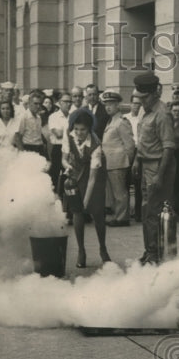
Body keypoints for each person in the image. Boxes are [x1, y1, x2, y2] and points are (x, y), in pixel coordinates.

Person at [132, 72, 176, 265]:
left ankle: (155, 254)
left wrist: (159, 175)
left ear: (153, 94)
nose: (141, 102)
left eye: (143, 98)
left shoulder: (162, 113)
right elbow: (142, 139)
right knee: (146, 211)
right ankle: (149, 249)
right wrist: (136, 160)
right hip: (145, 164)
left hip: (158, 166)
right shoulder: (145, 111)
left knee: (153, 212)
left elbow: (168, 147)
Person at [62, 109, 110, 268]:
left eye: (82, 129)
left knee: (96, 212)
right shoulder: (68, 136)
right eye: (76, 129)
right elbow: (63, 159)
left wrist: (86, 202)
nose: (78, 133)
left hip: (94, 175)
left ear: (89, 129)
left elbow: (92, 179)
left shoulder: (96, 145)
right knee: (77, 212)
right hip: (76, 171)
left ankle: (103, 248)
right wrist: (68, 166)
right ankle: (81, 251)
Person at [100, 89, 136, 227]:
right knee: (114, 192)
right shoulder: (111, 121)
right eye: (106, 104)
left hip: (119, 163)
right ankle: (118, 215)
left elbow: (130, 145)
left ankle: (122, 218)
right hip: (111, 162)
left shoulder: (121, 122)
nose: (108, 107)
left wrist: (127, 162)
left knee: (120, 192)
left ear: (117, 105)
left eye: (111, 104)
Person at [46, 91, 73, 198]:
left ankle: (65, 201)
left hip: (70, 149)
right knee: (55, 175)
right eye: (65, 101)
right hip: (58, 148)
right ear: (59, 103)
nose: (69, 104)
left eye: (70, 101)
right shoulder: (54, 117)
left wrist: (64, 131)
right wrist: (68, 132)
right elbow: (58, 134)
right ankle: (52, 199)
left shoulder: (73, 116)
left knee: (68, 176)